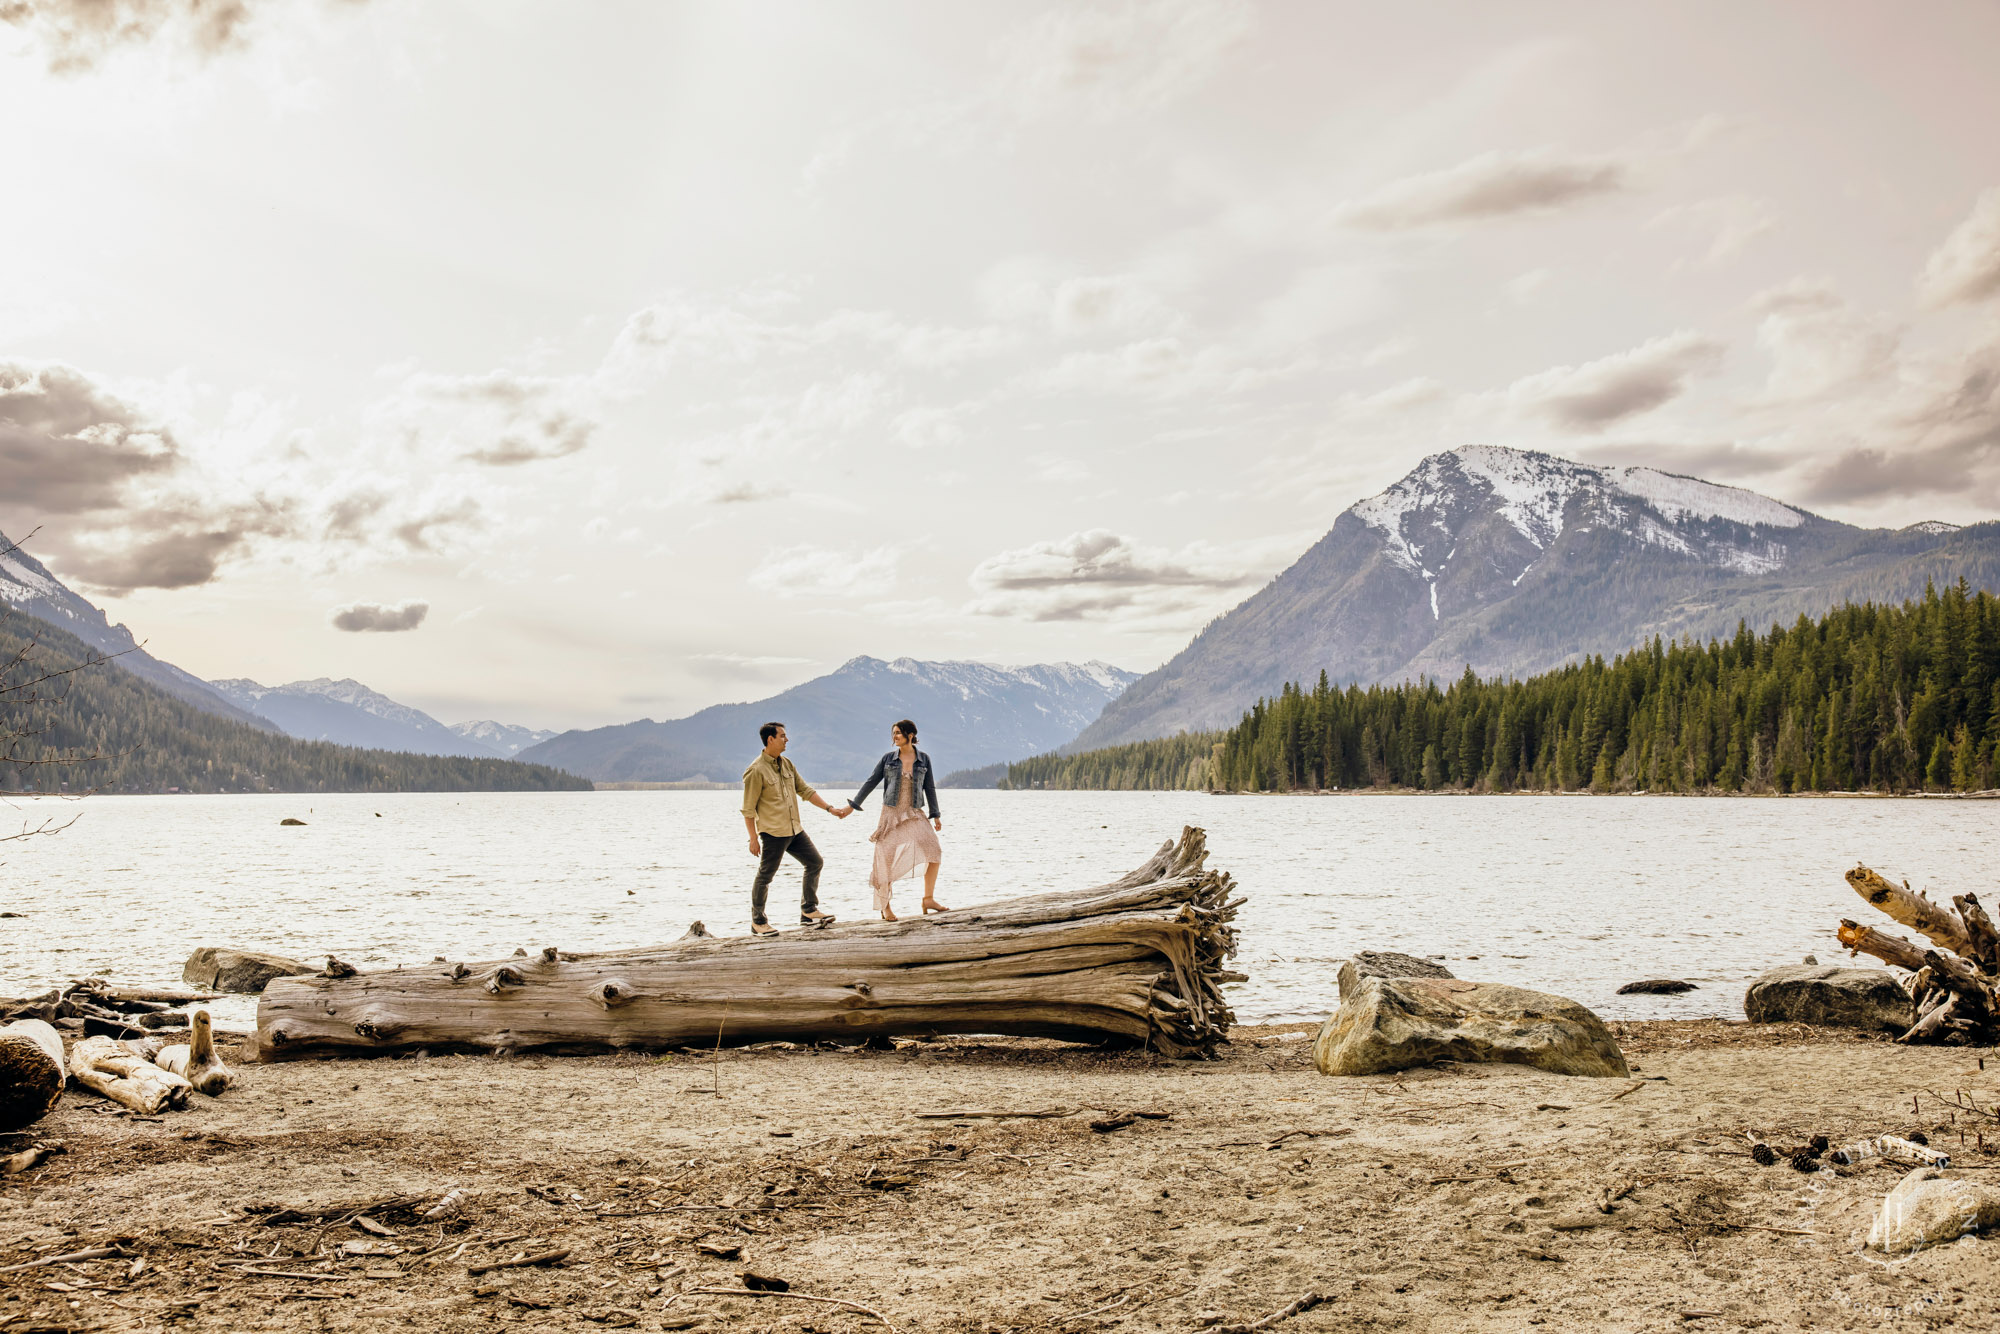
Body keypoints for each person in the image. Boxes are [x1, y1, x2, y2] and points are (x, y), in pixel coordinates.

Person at [741, 722, 847, 936]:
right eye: (782, 736)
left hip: (795, 830)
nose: (786, 739)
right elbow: (748, 810)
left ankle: (808, 912)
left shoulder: (787, 764)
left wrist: (830, 808)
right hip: (773, 833)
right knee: (765, 876)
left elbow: (805, 791)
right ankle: (758, 922)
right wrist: (753, 838)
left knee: (815, 862)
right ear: (770, 739)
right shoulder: (755, 770)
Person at [839, 719, 944, 921]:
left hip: (914, 813)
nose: (894, 737)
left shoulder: (924, 759)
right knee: (885, 860)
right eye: (893, 733)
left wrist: (936, 814)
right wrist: (852, 806)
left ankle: (928, 899)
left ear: (910, 735)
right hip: (891, 815)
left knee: (934, 851)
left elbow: (929, 788)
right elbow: (871, 782)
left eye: (898, 733)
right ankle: (885, 906)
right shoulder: (888, 759)